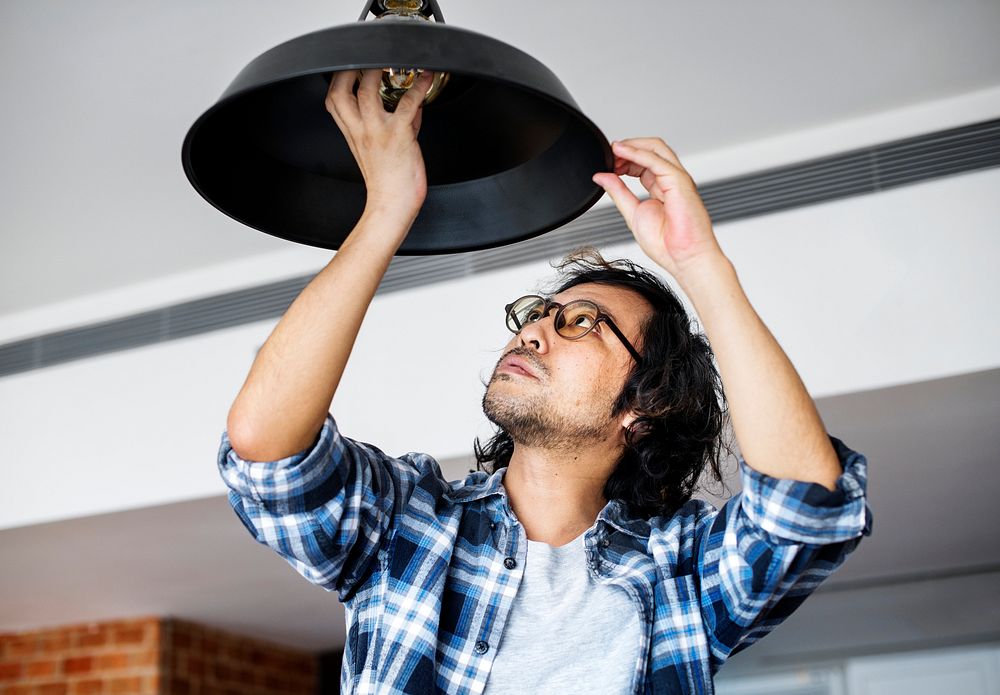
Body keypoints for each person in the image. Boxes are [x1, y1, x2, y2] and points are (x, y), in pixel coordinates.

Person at [218, 69, 872, 694]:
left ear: (645, 406)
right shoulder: (408, 525)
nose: (533, 332)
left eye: (582, 322)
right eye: (537, 316)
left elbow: (805, 505)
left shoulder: (681, 571)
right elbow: (266, 452)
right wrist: (386, 213)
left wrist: (702, 266)